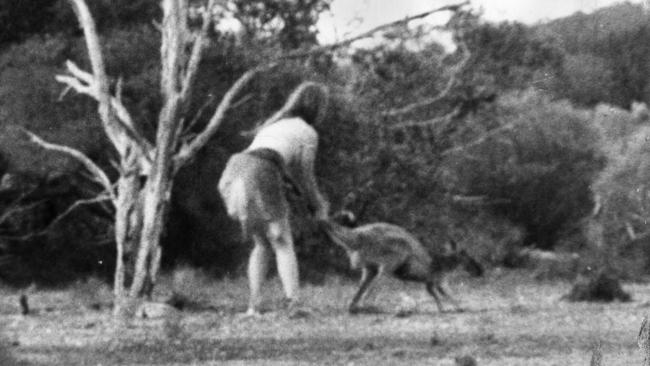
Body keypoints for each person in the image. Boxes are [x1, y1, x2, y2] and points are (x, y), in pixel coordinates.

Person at [218, 85, 329, 316]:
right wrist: (318, 205)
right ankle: (293, 304)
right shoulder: (308, 132)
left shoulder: (276, 124)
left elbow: (286, 170)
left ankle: (254, 307)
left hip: (235, 169)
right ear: (318, 108)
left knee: (261, 243)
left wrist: (301, 195)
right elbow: (305, 176)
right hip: (261, 169)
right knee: (282, 241)